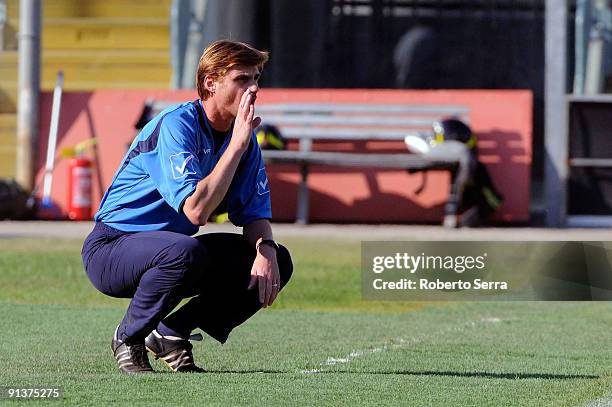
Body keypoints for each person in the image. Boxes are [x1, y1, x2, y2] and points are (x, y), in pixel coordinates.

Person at [81, 40, 293, 374]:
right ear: (211, 81)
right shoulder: (178, 124)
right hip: (113, 247)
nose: (253, 89)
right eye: (242, 80)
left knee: (277, 260)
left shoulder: (244, 140)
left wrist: (265, 249)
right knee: (183, 251)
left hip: (174, 251)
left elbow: (254, 215)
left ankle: (170, 333)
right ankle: (128, 337)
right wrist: (236, 146)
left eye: (256, 80)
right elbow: (195, 211)